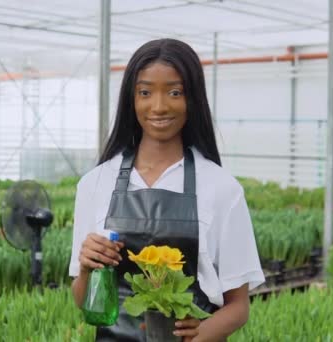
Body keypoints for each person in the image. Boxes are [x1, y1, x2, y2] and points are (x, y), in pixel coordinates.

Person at [69, 38, 264, 342]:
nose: (158, 106)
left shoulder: (222, 188)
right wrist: (85, 270)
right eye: (145, 92)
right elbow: (84, 303)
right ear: (131, 100)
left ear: (193, 99)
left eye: (174, 92)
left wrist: (205, 331)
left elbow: (238, 306)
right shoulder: (95, 184)